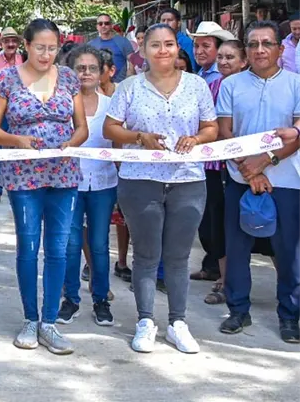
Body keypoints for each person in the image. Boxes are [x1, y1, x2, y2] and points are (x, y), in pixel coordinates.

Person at [104, 22, 218, 354]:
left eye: (169, 44)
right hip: (140, 179)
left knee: (178, 256)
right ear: (143, 50)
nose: (163, 50)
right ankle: (145, 321)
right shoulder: (129, 88)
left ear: (177, 48)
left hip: (187, 180)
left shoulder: (196, 86)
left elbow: (211, 127)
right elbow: (112, 129)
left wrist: (196, 138)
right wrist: (138, 136)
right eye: (155, 45)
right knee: (146, 254)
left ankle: (178, 323)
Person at [0, 19, 87, 355]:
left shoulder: (69, 78)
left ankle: (50, 322)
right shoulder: (5, 80)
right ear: (26, 46)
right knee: (28, 247)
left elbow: (82, 128)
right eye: (40, 46)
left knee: (59, 248)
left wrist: (70, 142)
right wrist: (18, 140)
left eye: (52, 47)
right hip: (22, 174)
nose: (46, 54)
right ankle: (30, 319)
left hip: (63, 173)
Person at [217, 22, 300, 343]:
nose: (260, 50)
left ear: (280, 49)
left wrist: (265, 163)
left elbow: (296, 135)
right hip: (240, 178)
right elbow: (226, 132)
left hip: (287, 180)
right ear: (246, 51)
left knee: (288, 250)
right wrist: (250, 171)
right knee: (237, 248)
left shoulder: (295, 84)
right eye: (253, 44)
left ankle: (290, 315)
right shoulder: (232, 85)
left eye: (267, 43)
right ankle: (238, 309)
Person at [57, 45, 117, 328]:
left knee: (99, 243)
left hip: (104, 184)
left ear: (102, 72)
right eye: (80, 68)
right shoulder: (62, 105)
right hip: (69, 182)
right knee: (69, 244)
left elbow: (118, 146)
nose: (86, 73)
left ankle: (101, 299)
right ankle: (70, 299)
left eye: (93, 68)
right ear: (71, 72)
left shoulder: (112, 106)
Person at [201, 39, 248, 304]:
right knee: (218, 224)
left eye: (230, 57)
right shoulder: (211, 87)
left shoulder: (252, 89)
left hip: (251, 164)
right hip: (214, 166)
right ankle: (223, 279)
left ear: (244, 61)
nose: (224, 62)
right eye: (220, 57)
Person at [0, 27, 24, 205]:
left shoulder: (23, 60)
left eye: (13, 40)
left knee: (20, 150)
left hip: (19, 112)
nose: (10, 44)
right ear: (1, 43)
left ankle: (20, 186)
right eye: (7, 41)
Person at [90, 14, 135, 82]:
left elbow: (133, 60)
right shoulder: (91, 44)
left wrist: (129, 78)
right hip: (98, 86)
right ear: (97, 26)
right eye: (100, 23)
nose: (103, 26)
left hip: (120, 85)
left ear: (111, 25)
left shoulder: (123, 41)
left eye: (106, 23)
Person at [190, 21, 234, 91]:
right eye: (196, 46)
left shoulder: (223, 74)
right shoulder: (201, 72)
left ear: (219, 48)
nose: (199, 51)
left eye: (206, 46)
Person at [159, 7, 198, 72]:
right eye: (163, 20)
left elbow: (191, 69)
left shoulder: (186, 42)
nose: (166, 23)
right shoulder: (158, 42)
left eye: (170, 20)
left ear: (179, 23)